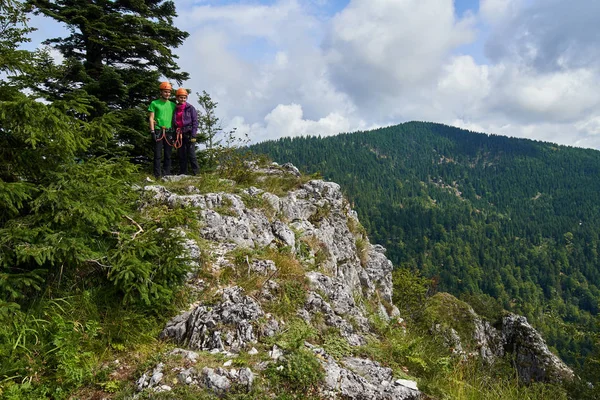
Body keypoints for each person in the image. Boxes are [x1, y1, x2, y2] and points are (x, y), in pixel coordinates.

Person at [148, 81, 176, 178]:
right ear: (161, 92)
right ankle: (157, 175)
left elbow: (175, 119)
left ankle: (166, 174)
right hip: (158, 130)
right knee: (158, 154)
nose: (167, 94)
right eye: (165, 92)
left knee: (168, 155)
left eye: (168, 92)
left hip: (169, 131)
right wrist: (152, 131)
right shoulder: (154, 103)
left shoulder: (173, 105)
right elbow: (151, 118)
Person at [173, 88, 199, 175]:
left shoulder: (190, 108)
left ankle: (196, 173)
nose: (183, 99)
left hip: (189, 133)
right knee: (181, 154)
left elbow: (195, 122)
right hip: (179, 133)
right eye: (181, 97)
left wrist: (193, 135)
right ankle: (183, 173)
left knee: (191, 154)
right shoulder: (175, 108)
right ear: (177, 98)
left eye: (184, 98)